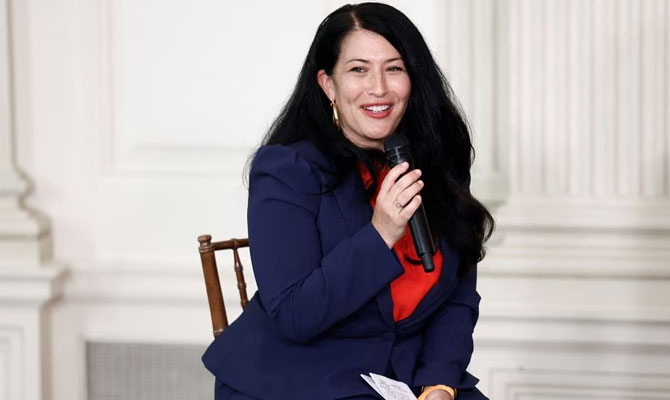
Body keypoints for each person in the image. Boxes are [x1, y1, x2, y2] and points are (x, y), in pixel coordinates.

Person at [202, 3, 493, 399]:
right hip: (302, 379)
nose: (379, 88)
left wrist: (440, 382)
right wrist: (380, 233)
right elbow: (294, 315)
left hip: (406, 377)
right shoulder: (287, 170)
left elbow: (458, 294)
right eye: (358, 69)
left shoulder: (440, 165)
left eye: (394, 68)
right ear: (328, 85)